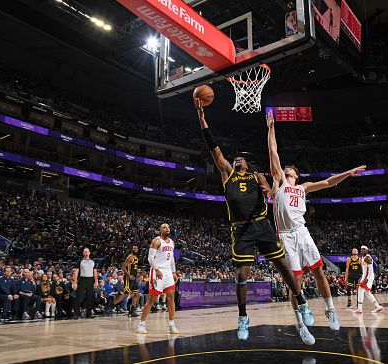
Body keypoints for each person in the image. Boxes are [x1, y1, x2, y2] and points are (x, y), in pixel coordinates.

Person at [195, 98, 314, 344]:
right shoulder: (227, 173)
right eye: (235, 158)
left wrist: (270, 191)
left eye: (241, 158)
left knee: (283, 266)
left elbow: (268, 187)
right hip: (240, 231)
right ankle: (242, 317)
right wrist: (202, 117)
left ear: (247, 164)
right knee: (242, 275)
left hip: (262, 224)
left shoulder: (256, 175)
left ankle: (302, 302)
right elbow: (213, 147)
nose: (237, 159)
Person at [267, 111, 365, 332]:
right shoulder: (280, 182)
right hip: (286, 236)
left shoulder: (304, 187)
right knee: (296, 283)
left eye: (290, 169)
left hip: (302, 232)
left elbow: (329, 182)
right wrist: (271, 128)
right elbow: (273, 152)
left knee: (319, 272)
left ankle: (330, 311)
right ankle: (300, 322)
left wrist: (349, 173)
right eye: (285, 168)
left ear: (296, 174)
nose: (286, 169)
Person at [136, 223, 179, 334]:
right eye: (164, 227)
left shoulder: (172, 242)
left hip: (168, 272)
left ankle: (171, 324)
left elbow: (172, 259)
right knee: (152, 298)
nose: (167, 229)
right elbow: (150, 258)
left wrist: (174, 272)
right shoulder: (157, 241)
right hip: (157, 271)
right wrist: (157, 270)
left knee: (171, 296)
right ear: (160, 230)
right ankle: (141, 324)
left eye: (168, 227)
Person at [112, 246, 142, 317]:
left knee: (136, 294)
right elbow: (123, 267)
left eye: (136, 248)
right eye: (134, 248)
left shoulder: (136, 258)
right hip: (129, 278)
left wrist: (136, 275)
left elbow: (133, 268)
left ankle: (132, 311)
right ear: (131, 250)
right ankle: (110, 306)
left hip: (133, 279)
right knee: (126, 294)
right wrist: (129, 275)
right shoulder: (130, 257)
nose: (135, 249)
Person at [353, 246, 383, 314]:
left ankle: (359, 309)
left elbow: (371, 269)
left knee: (360, 290)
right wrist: (362, 277)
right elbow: (365, 270)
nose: (362, 250)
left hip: (368, 276)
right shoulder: (363, 257)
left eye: (364, 249)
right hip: (365, 276)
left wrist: (366, 279)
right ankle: (378, 306)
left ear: (367, 250)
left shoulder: (367, 258)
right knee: (367, 292)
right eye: (361, 249)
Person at [73, 247, 98, 319]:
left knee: (89, 297)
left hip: (90, 280)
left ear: (89, 253)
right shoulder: (79, 261)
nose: (86, 253)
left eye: (87, 252)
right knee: (79, 297)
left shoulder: (93, 261)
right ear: (83, 253)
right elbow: (76, 272)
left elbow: (95, 272)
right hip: (82, 279)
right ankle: (77, 314)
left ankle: (89, 313)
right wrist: (75, 282)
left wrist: (96, 281)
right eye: (85, 252)